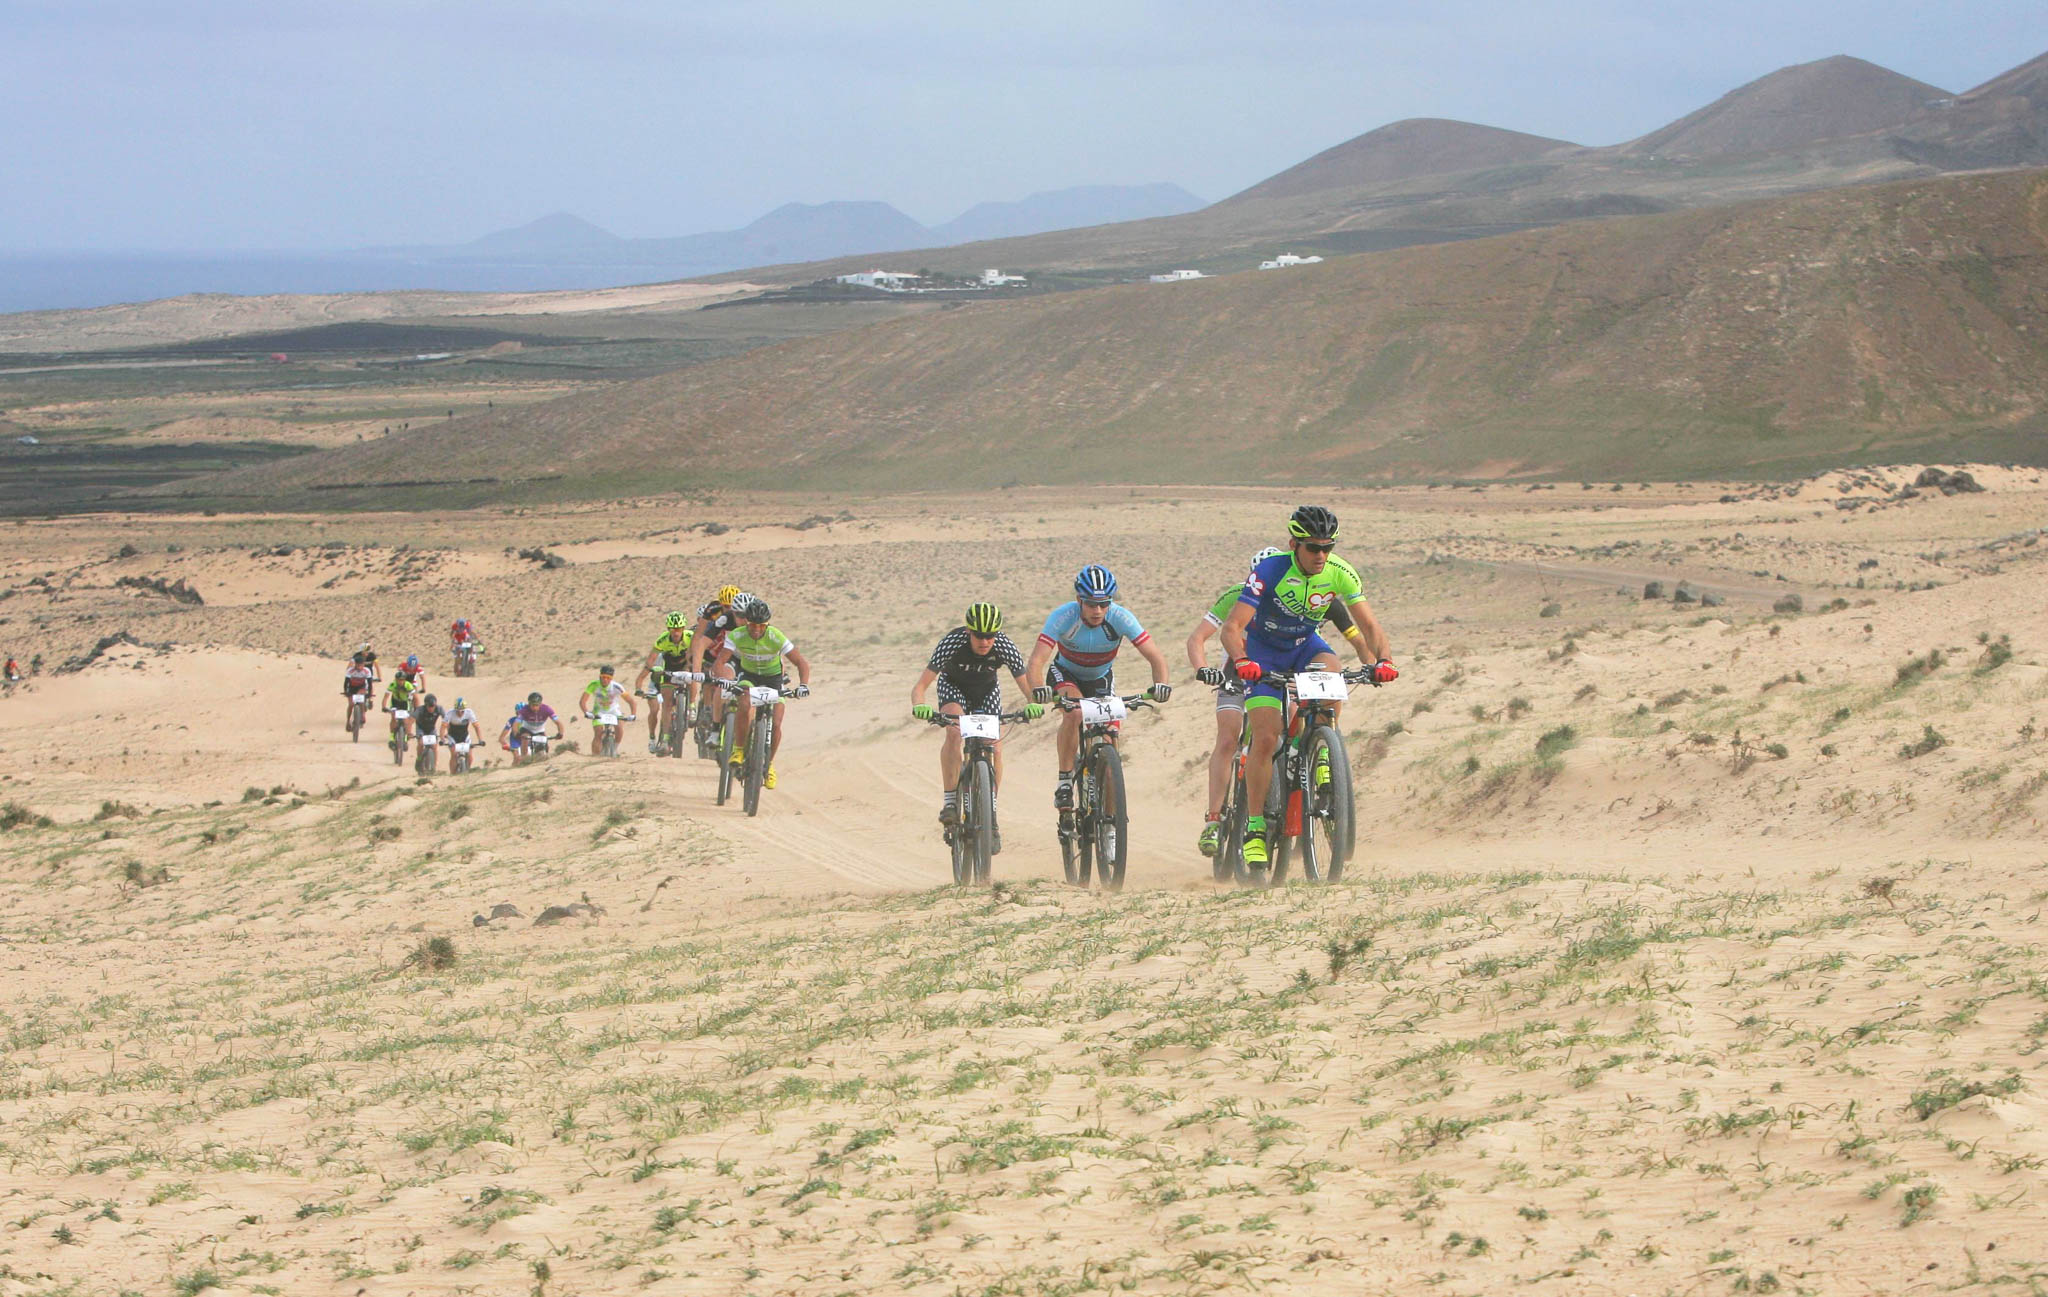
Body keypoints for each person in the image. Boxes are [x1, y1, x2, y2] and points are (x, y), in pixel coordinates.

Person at [1218, 506, 1396, 872]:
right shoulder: (1270, 571)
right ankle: (1255, 827)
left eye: (1328, 548)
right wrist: (1242, 660)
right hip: (1264, 653)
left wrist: (1384, 661)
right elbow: (1232, 628)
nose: (1321, 555)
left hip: (1305, 646)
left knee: (1332, 675)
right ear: (1293, 545)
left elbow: (1369, 626)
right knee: (1266, 737)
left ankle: (1321, 750)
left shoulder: (1340, 572)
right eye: (1313, 548)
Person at [1186, 547, 1372, 857]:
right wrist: (1203, 668)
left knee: (1298, 716)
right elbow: (1198, 637)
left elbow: (1357, 637)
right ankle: (1214, 819)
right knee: (1228, 738)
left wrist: (1371, 662)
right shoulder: (1239, 595)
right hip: (1237, 671)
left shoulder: (1315, 597)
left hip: (1284, 668)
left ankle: (1308, 761)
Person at [1024, 564, 1173, 813]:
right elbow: (1036, 661)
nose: (1098, 610)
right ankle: (1064, 781)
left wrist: (1161, 685)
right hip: (1066, 675)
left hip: (1101, 678)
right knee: (1075, 713)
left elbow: (1156, 657)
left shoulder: (1121, 617)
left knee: (1110, 737)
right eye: (1092, 604)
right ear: (1079, 601)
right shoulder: (1063, 616)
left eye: (1104, 604)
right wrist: (1038, 688)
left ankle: (1111, 821)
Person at [910, 602, 1046, 838]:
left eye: (990, 636)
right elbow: (920, 686)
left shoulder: (1004, 645)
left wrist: (1033, 704)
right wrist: (919, 706)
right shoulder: (952, 642)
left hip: (986, 691)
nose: (985, 642)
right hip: (954, 687)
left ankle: (990, 810)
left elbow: (1026, 685)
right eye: (979, 636)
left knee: (996, 746)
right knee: (955, 731)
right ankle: (950, 801)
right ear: (968, 632)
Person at [713, 600, 811, 790]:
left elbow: (801, 663)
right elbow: (720, 662)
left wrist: (803, 685)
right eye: (752, 625)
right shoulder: (737, 635)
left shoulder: (776, 636)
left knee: (777, 723)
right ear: (746, 622)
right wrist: (721, 678)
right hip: (749, 676)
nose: (757, 630)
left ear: (767, 624)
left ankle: (769, 764)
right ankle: (739, 750)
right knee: (744, 703)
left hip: (773, 679)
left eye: (761, 626)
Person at [689, 585, 754, 734]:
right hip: (724, 654)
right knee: (719, 682)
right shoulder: (718, 614)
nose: (743, 619)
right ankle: (714, 724)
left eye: (744, 615)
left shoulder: (756, 619)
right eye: (726, 606)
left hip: (746, 658)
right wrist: (695, 669)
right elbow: (700, 639)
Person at [633, 612, 695, 754]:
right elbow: (650, 661)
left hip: (685, 666)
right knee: (666, 703)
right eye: (672, 629)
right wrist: (640, 681)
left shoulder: (690, 637)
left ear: (683, 628)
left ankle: (692, 707)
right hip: (668, 670)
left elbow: (699, 653)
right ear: (668, 629)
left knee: (692, 677)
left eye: (679, 629)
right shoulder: (662, 640)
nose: (676, 632)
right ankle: (666, 738)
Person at [580, 665, 638, 754]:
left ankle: (615, 748)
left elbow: (631, 701)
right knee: (598, 732)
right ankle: (595, 756)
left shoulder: (617, 687)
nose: (605, 680)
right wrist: (586, 712)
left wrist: (633, 714)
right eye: (603, 677)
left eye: (608, 678)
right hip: (599, 711)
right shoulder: (593, 685)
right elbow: (582, 701)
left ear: (611, 679)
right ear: (600, 676)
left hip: (613, 710)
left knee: (619, 727)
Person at [502, 691, 563, 764]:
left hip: (540, 731)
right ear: (529, 704)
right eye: (532, 705)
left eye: (536, 705)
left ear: (540, 704)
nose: (534, 707)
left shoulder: (547, 709)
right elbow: (516, 724)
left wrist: (560, 733)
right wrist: (516, 733)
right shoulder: (524, 710)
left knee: (544, 747)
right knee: (525, 738)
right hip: (526, 729)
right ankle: (524, 758)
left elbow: (558, 723)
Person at [384, 669, 420, 747]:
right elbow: (386, 697)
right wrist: (383, 706)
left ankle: (405, 739)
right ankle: (392, 737)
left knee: (406, 720)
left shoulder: (408, 685)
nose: (400, 682)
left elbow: (416, 698)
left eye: (402, 680)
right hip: (395, 702)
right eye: (399, 680)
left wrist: (417, 708)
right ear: (396, 679)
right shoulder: (392, 685)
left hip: (405, 703)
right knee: (393, 717)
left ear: (404, 680)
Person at [412, 692, 446, 770]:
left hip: (431, 729)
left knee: (434, 746)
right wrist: (409, 732)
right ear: (425, 705)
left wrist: (446, 733)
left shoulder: (439, 709)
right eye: (429, 706)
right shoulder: (420, 709)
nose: (431, 708)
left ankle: (435, 765)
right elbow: (411, 720)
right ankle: (419, 759)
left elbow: (446, 721)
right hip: (421, 728)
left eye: (433, 706)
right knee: (420, 743)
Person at [443, 696, 479, 769]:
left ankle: (467, 771)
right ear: (455, 709)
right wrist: (442, 739)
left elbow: (476, 726)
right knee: (454, 754)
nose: (460, 713)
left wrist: (480, 740)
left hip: (465, 736)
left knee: (470, 756)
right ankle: (452, 773)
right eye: (457, 711)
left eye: (462, 711)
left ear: (465, 709)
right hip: (453, 736)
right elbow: (443, 726)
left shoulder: (469, 712)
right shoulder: (450, 713)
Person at [341, 657, 376, 727]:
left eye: (361, 665)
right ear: (355, 664)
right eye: (358, 665)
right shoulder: (350, 671)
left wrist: (369, 693)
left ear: (363, 665)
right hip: (352, 688)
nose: (359, 667)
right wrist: (346, 692)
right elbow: (346, 682)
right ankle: (348, 721)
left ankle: (363, 715)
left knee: (361, 700)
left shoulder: (367, 671)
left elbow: (369, 683)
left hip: (361, 687)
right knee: (351, 704)